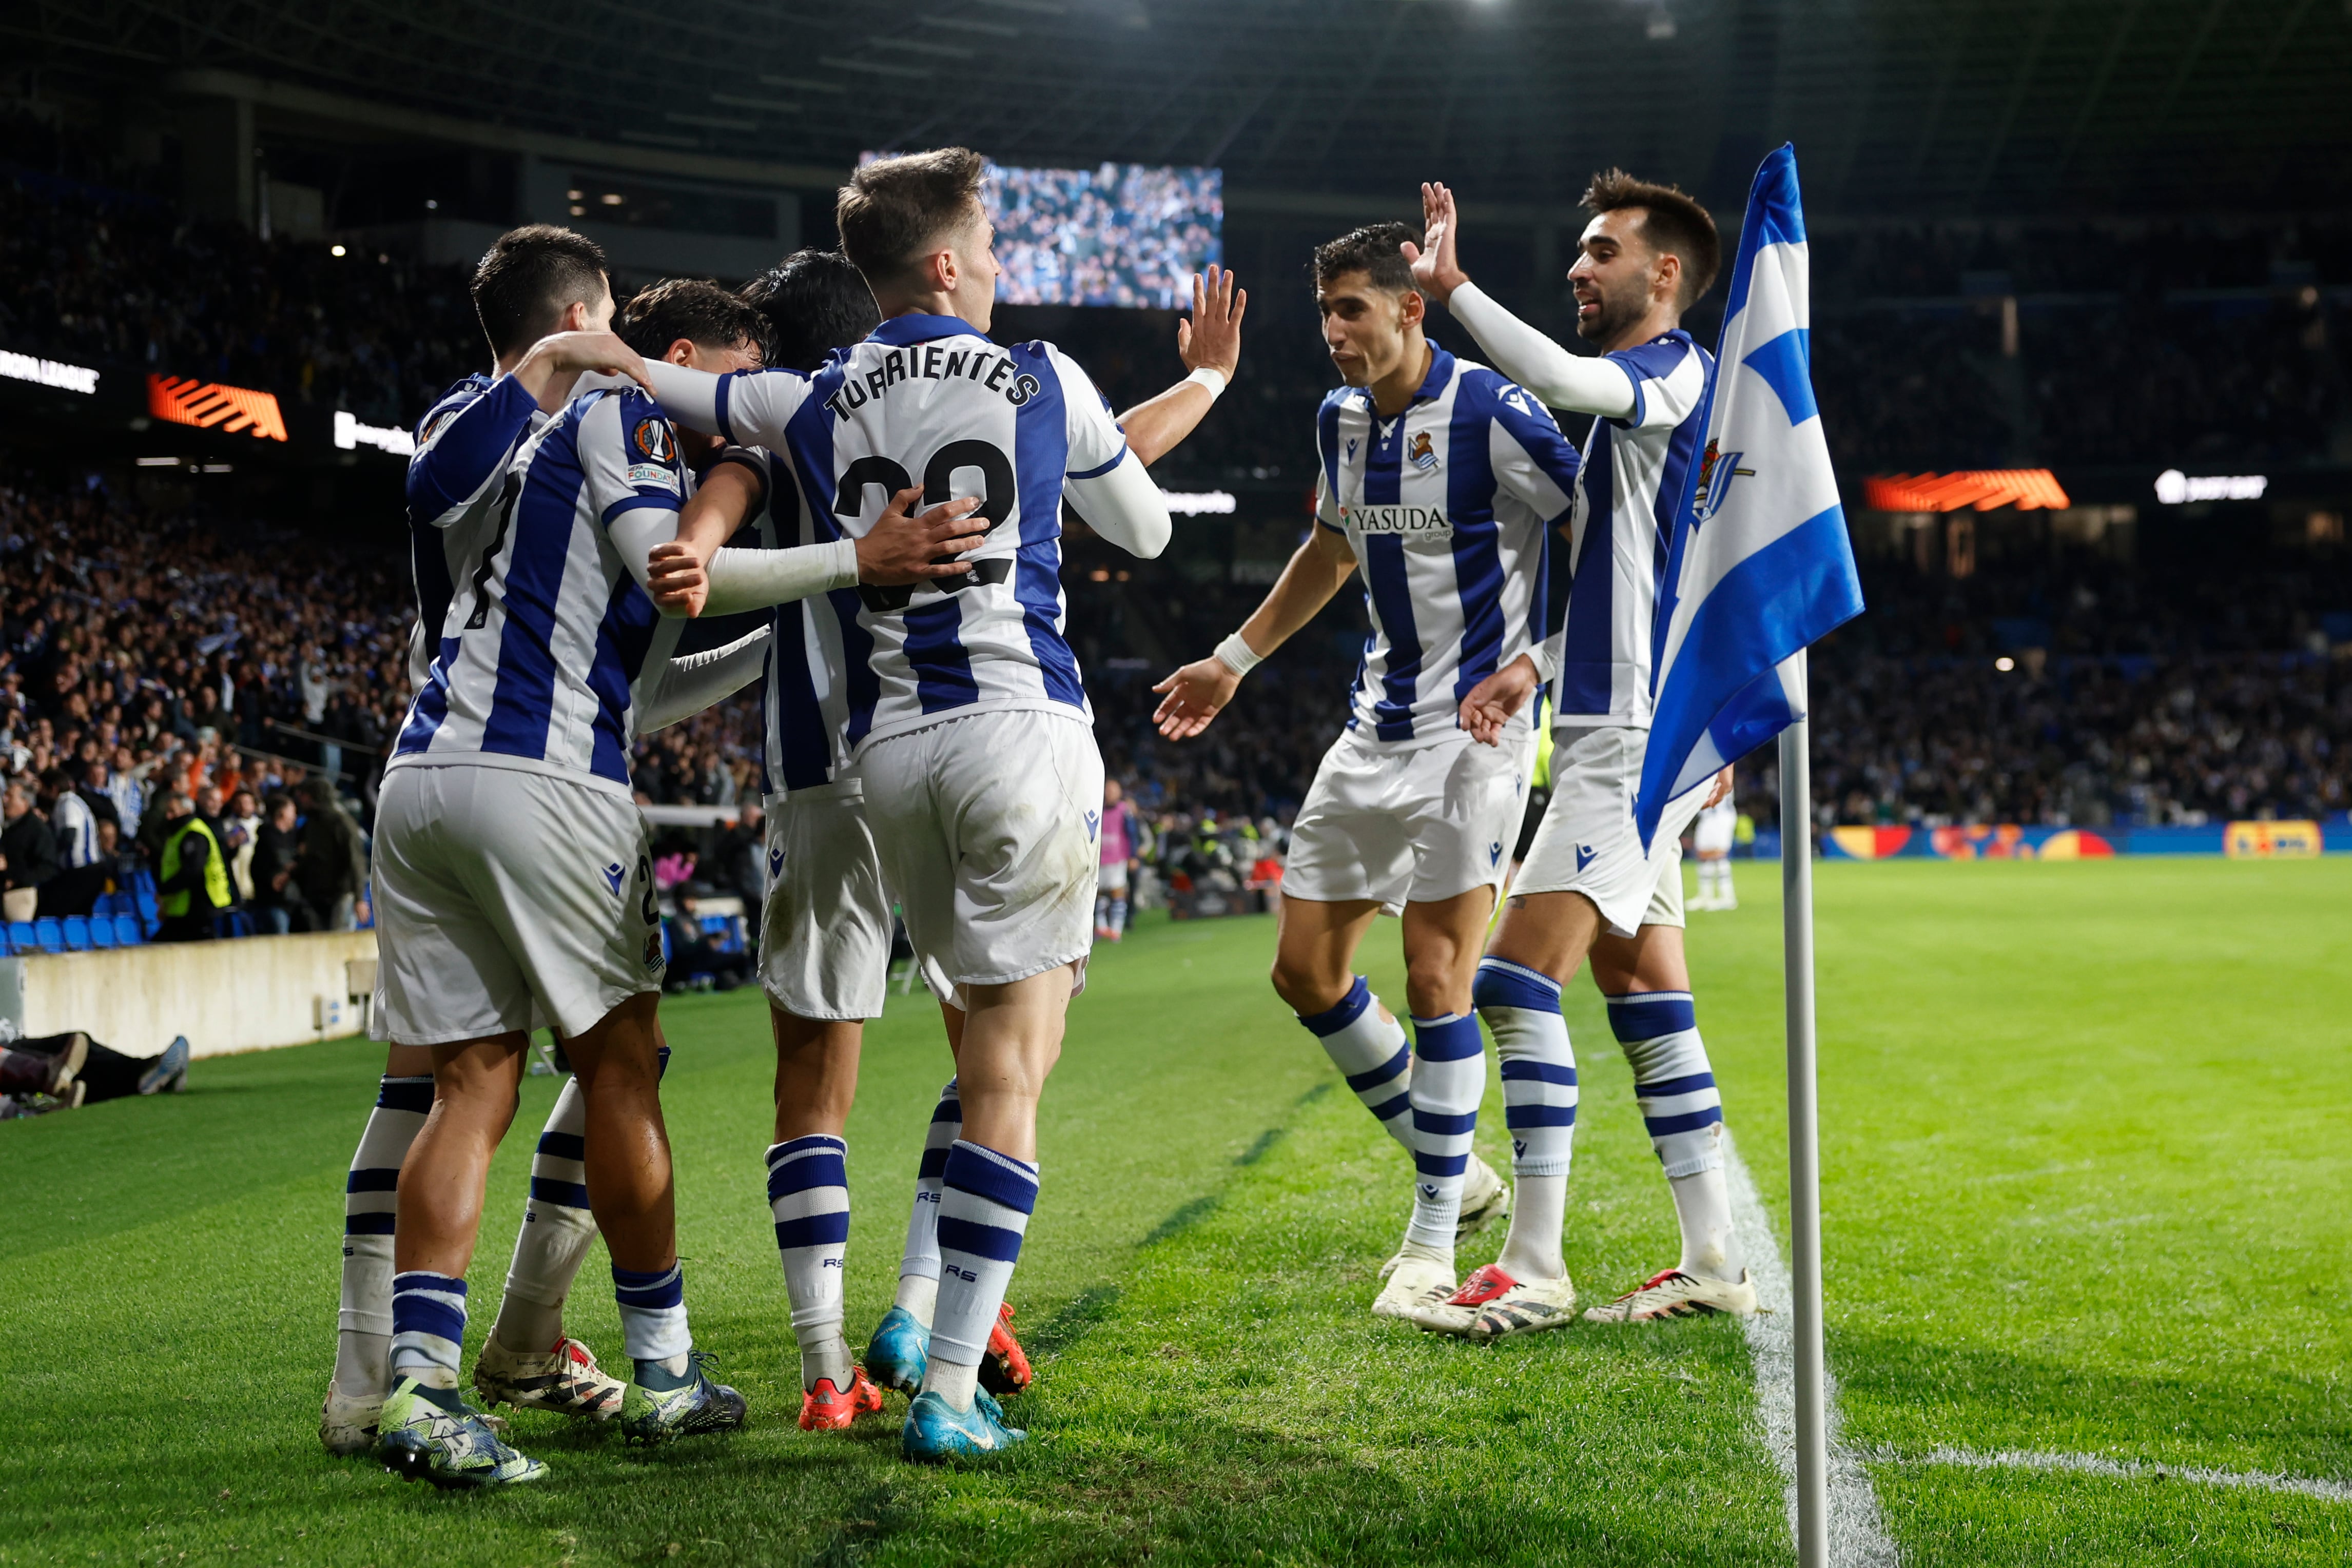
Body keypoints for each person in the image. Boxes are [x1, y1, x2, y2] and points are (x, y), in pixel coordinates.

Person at [637, 148, 1210, 1461]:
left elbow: (676, 385)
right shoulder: (1043, 374)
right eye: (993, 236)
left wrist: (584, 349)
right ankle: (945, 1370)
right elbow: (1149, 532)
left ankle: (906, 1321)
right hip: (1019, 726)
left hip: (887, 753)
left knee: (974, 1046)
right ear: (946, 261)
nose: (1004, 257)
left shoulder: (814, 393)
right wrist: (1182, 398)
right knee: (1013, 1059)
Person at [1149, 221, 1581, 1324]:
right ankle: (1461, 1171)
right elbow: (1332, 549)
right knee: (1303, 971)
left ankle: (1430, 1243)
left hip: (1473, 735)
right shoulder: (1338, 421)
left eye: (1353, 308)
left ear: (1407, 309)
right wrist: (1233, 659)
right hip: (1371, 729)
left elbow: (1600, 539)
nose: (1334, 331)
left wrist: (1536, 666)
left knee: (1438, 978)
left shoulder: (1492, 410)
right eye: (1324, 310)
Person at [1399, 172, 1756, 1335]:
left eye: (1598, 250)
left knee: (1507, 979)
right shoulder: (1645, 406)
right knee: (1641, 984)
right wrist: (1537, 659)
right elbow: (1634, 581)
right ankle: (1711, 1256)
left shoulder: (1669, 374)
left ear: (1664, 275)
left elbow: (1548, 379)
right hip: (1620, 716)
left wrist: (1451, 290)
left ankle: (1535, 1261)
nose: (1575, 267)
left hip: (1634, 738)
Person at [153, 791, 230, 942]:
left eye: (173, 811)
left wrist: (164, 890)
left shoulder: (194, 834)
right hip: (184, 908)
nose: (168, 816)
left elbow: (192, 871)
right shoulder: (180, 833)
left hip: (199, 906)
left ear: (187, 810)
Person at [291, 778, 366, 932]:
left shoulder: (341, 823)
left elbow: (356, 861)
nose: (301, 799)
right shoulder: (311, 824)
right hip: (316, 896)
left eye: (305, 795)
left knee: (339, 941)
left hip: (340, 894)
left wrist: (359, 898)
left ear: (315, 796)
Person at [1094, 777, 1149, 942]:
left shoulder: (1124, 810)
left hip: (1118, 858)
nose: (1109, 793)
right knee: (1099, 894)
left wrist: (1133, 856)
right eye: (1107, 790)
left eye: (1113, 790)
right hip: (1101, 858)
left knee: (1117, 893)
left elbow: (1132, 834)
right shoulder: (1098, 808)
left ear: (1119, 792)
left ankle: (1116, 929)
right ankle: (1102, 927)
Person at [0, 778, 54, 924]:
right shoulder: (10, 827)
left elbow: (48, 868)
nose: (4, 800)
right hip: (5, 893)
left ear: (25, 802)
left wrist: (12, 875)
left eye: (10, 796)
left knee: (18, 942)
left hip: (20, 895)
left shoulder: (37, 830)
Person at [251, 793, 306, 935]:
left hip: (292, 901)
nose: (295, 816)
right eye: (292, 812)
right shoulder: (268, 839)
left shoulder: (292, 838)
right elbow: (259, 869)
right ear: (282, 813)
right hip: (275, 903)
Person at [1690, 780, 1738, 911]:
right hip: (1708, 816)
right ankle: (1706, 896)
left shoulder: (1717, 766)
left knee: (1718, 855)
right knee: (1703, 855)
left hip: (1720, 816)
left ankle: (1728, 897)